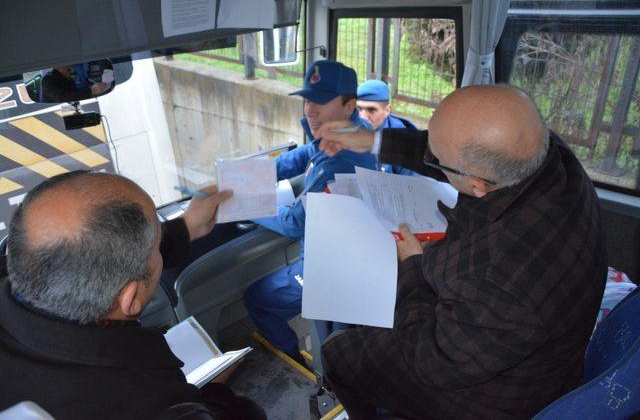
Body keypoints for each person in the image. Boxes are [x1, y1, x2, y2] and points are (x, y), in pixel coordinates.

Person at [315, 85, 607, 419]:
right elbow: (459, 153)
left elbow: (432, 361)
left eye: (437, 161)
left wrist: (412, 264)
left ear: (479, 185)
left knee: (339, 352)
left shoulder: (498, 278)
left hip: (497, 394)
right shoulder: (544, 151)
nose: (432, 159)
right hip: (516, 335)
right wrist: (373, 141)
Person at [0, 170, 266, 420]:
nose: (160, 247)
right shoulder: (153, 404)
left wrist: (185, 227)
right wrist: (213, 394)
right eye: (157, 246)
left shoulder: (23, 265)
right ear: (131, 300)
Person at [245, 60, 377, 364]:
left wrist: (247, 205)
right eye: (307, 100)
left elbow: (294, 223)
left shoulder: (341, 161)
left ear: (349, 106)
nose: (309, 110)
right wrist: (246, 176)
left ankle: (294, 362)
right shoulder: (353, 130)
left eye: (319, 101)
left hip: (329, 266)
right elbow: (303, 155)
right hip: (344, 250)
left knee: (259, 299)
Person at [356, 79, 416, 176]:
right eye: (358, 109)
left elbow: (411, 184)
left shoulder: (401, 140)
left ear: (387, 110)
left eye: (371, 110)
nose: (362, 116)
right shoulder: (348, 129)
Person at [39, 65, 108, 103]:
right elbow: (62, 98)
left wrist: (92, 92)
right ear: (58, 67)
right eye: (68, 68)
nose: (71, 70)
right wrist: (92, 91)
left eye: (71, 67)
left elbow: (75, 95)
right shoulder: (48, 80)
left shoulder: (68, 79)